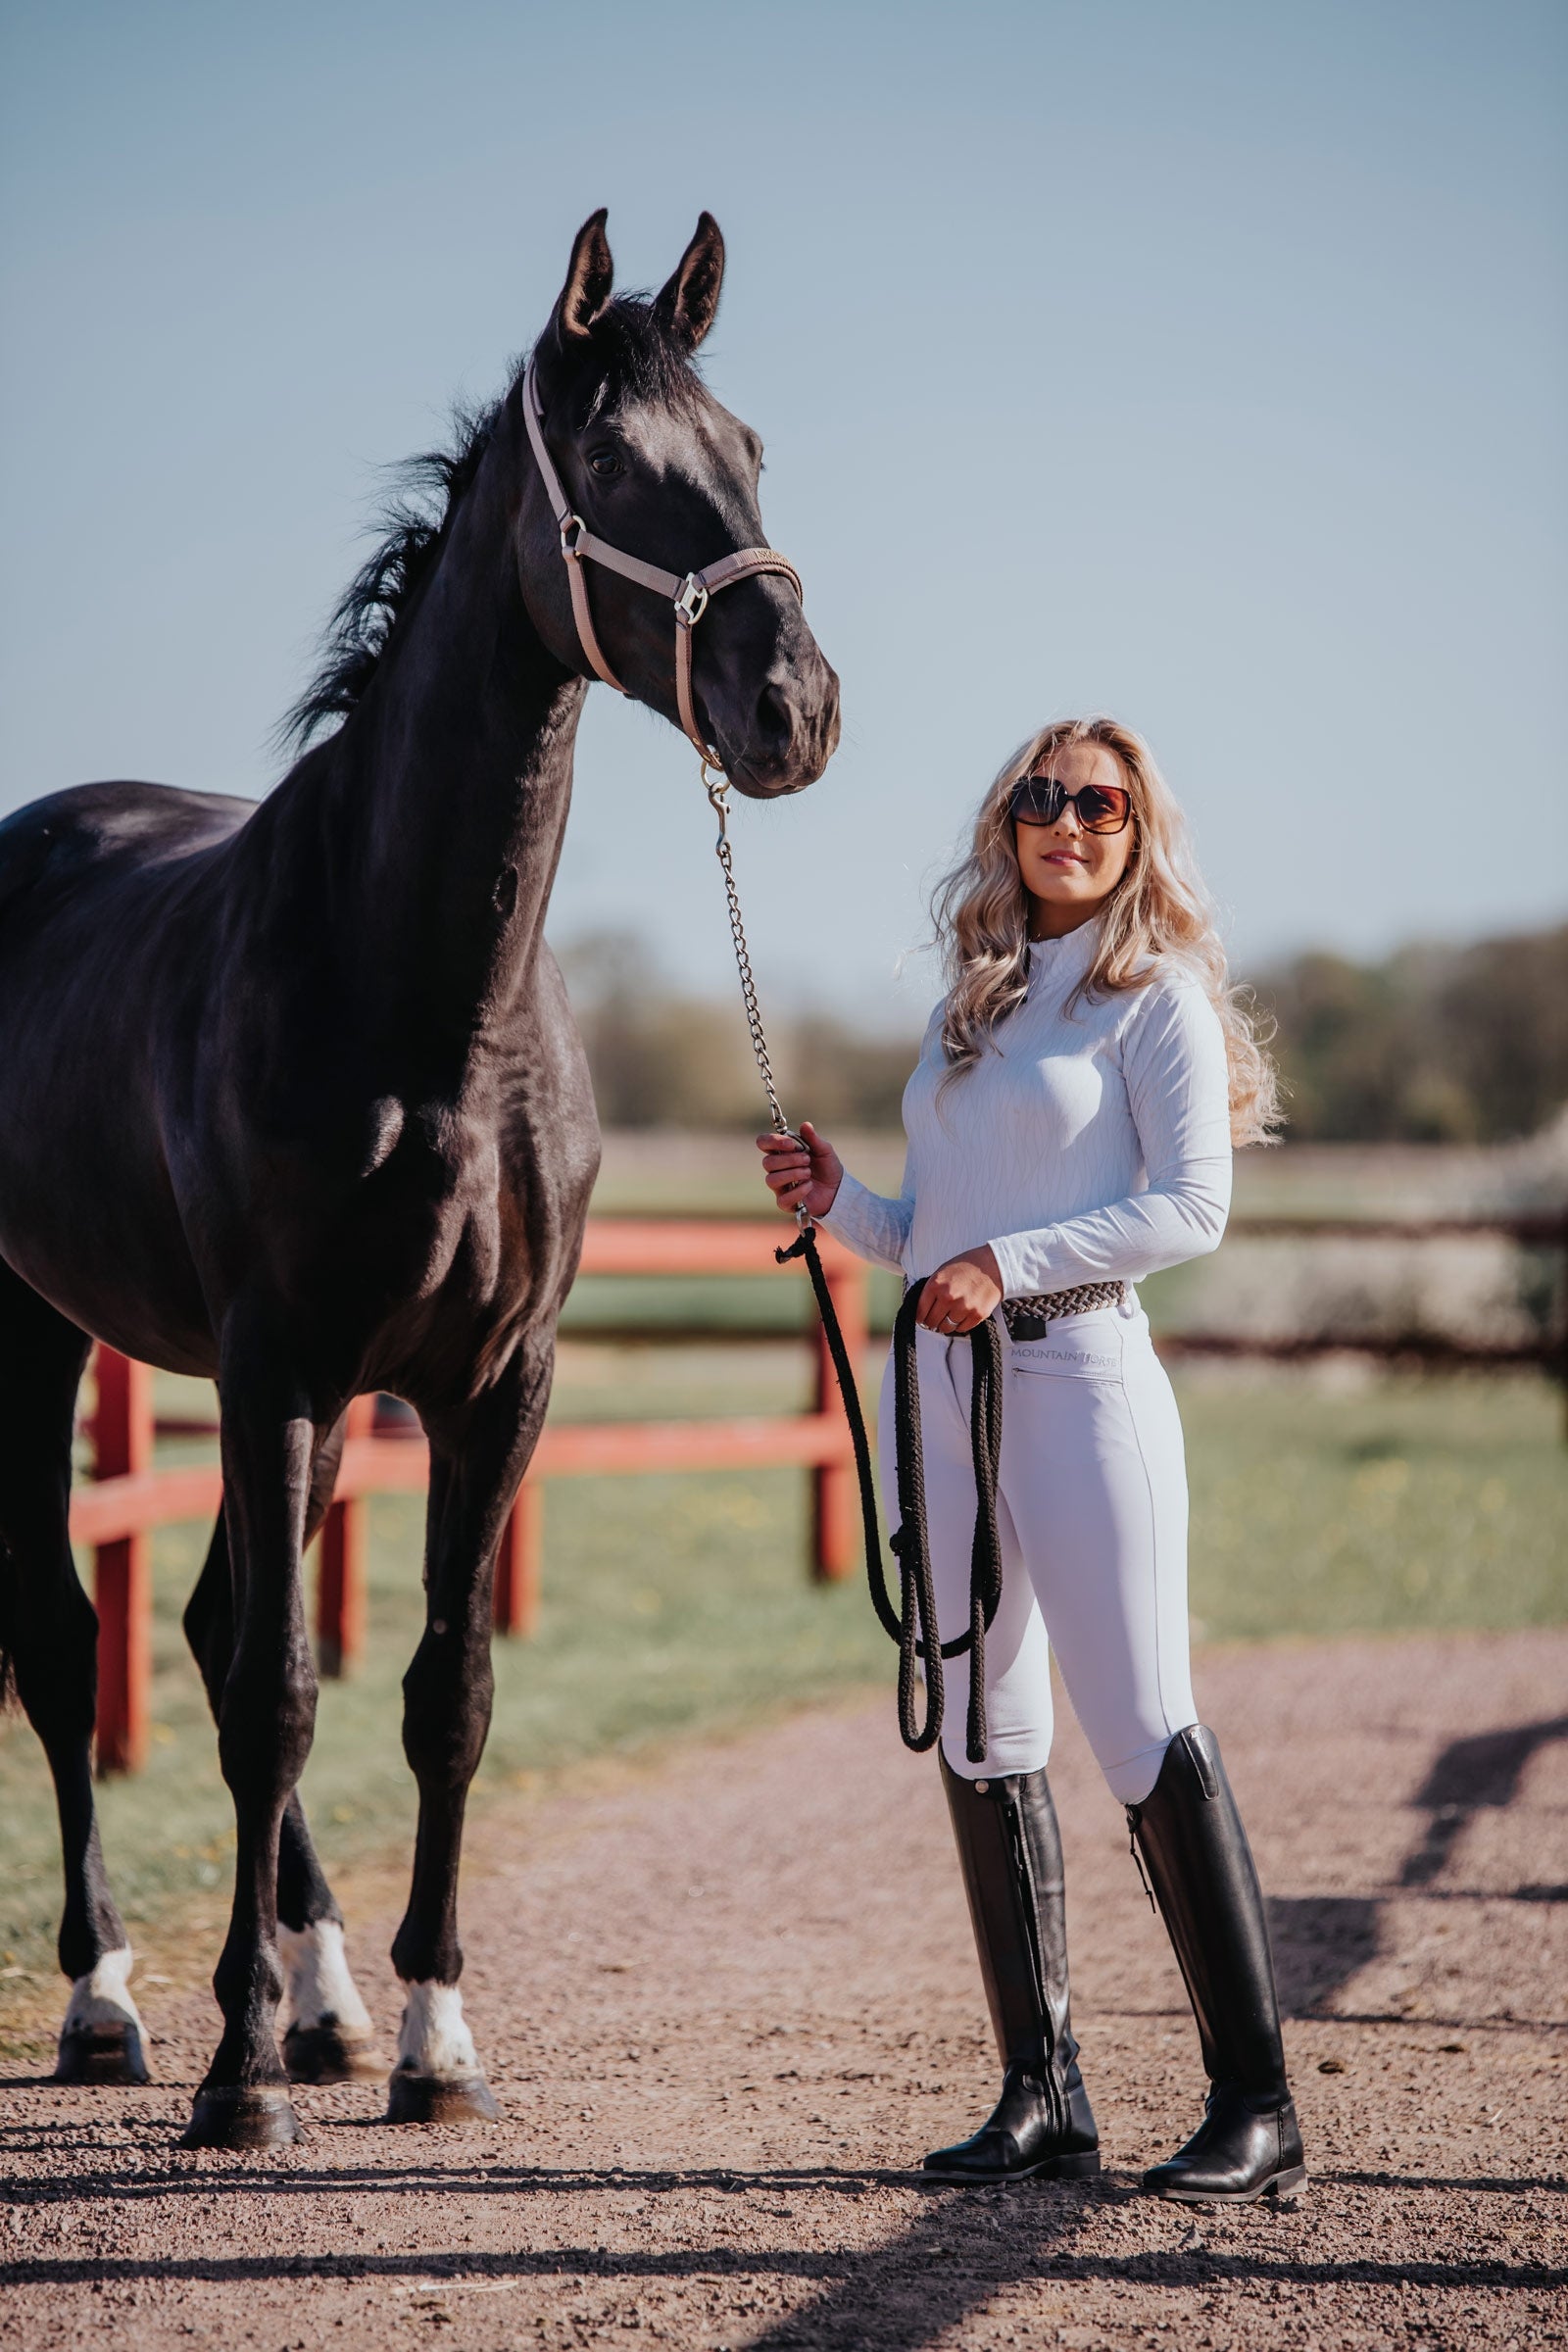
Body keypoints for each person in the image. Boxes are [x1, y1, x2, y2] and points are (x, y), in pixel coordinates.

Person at [758, 715, 1304, 2205]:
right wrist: (843, 1199)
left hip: (1079, 1378)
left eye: (1103, 804)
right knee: (980, 1724)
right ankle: (1040, 2094)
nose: (1071, 821)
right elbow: (931, 1235)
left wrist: (1010, 1257)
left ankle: (1256, 2104)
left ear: (1138, 831)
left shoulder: (1153, 1002)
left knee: (1139, 1728)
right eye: (1045, 798)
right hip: (942, 1386)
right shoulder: (975, 1007)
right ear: (1008, 822)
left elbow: (1192, 1209)